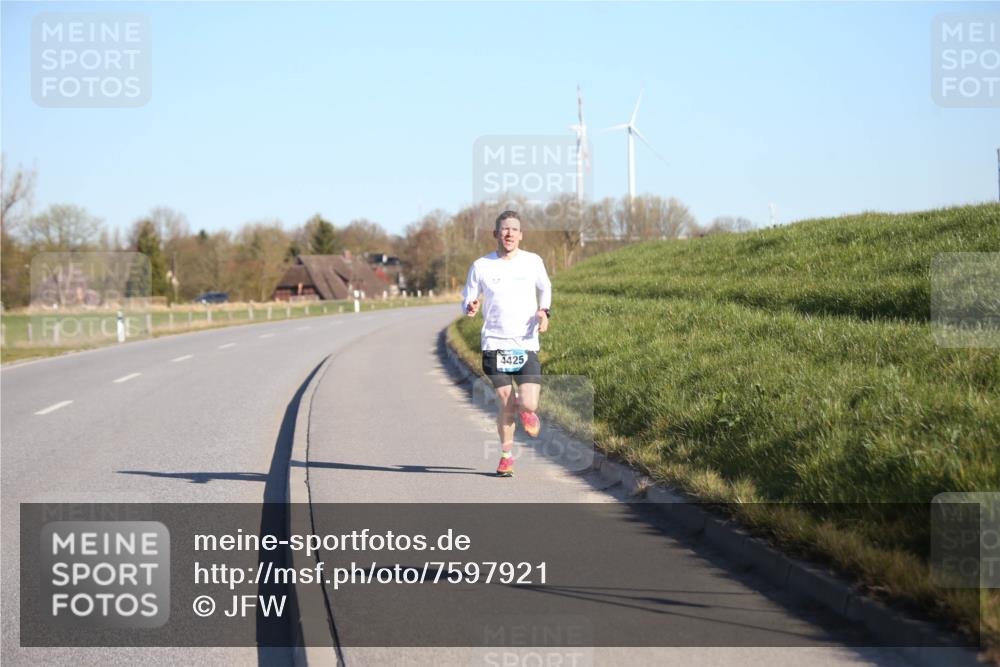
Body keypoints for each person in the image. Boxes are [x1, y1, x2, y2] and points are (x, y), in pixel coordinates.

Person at [462, 210, 552, 477]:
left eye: (514, 229)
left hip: (524, 343)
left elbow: (545, 288)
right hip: (494, 343)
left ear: (521, 235)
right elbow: (468, 297)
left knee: (529, 403)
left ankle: (526, 410)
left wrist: (544, 312)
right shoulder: (481, 266)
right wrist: (470, 306)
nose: (509, 233)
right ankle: (506, 456)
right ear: (495, 234)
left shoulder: (533, 261)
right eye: (504, 229)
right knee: (505, 403)